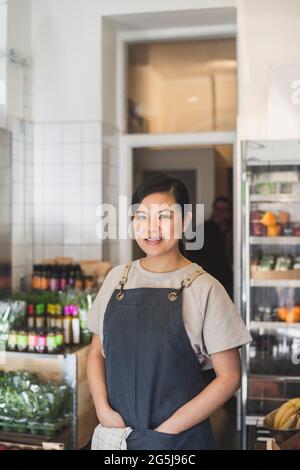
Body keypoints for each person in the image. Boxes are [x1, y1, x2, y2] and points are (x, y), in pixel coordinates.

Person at [87, 173, 251, 450]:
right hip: (117, 437)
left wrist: (164, 433)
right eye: (142, 217)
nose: (152, 228)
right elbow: (95, 352)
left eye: (164, 216)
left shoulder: (205, 288)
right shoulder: (117, 279)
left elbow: (230, 376)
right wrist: (102, 408)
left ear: (185, 222)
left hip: (179, 441)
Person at [188, 196, 233, 299]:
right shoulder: (202, 229)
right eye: (217, 209)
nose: (219, 213)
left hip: (230, 282)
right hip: (206, 281)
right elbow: (190, 257)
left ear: (230, 212)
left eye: (223, 210)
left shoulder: (235, 230)